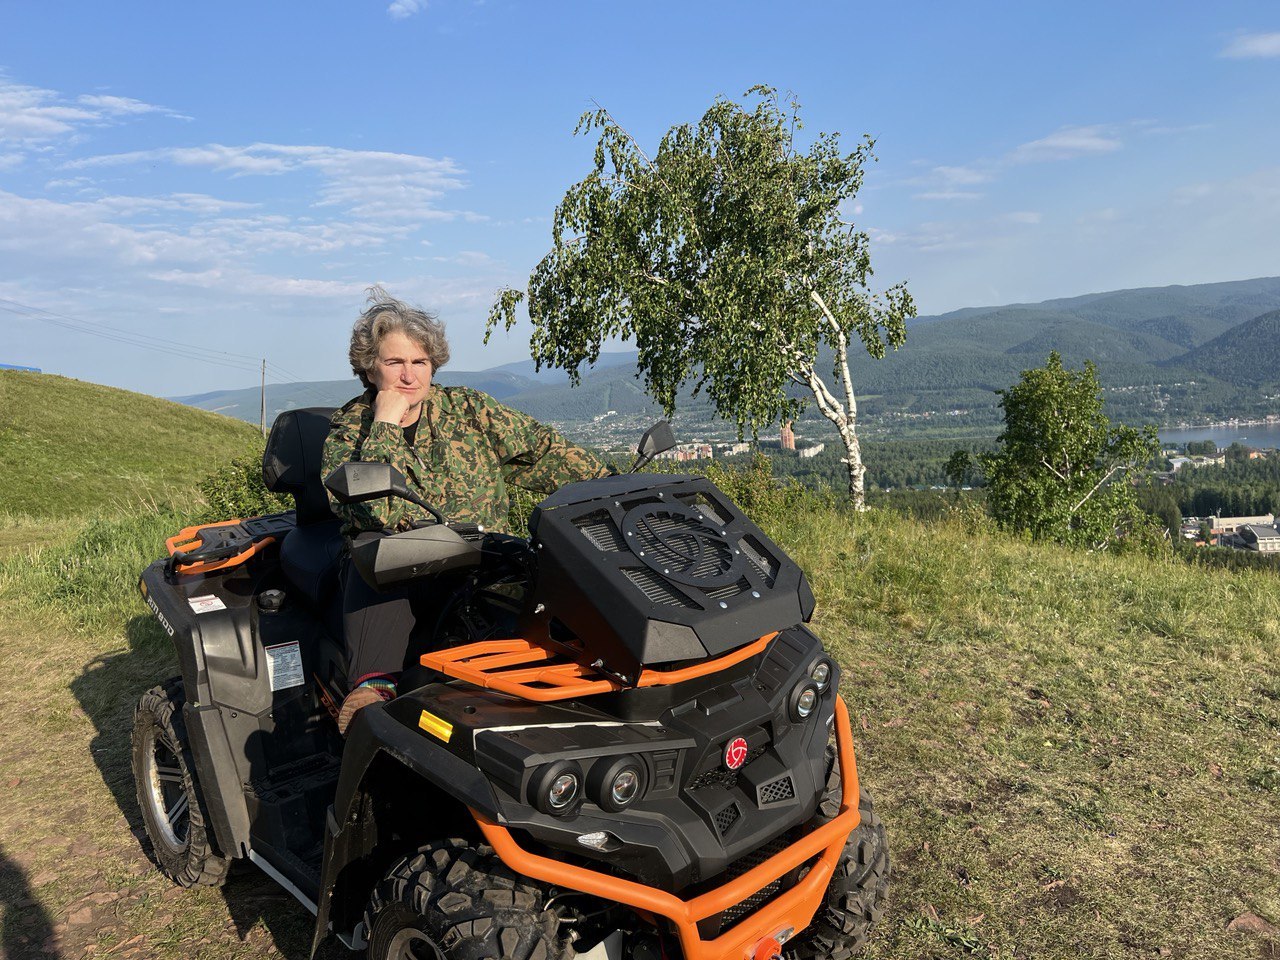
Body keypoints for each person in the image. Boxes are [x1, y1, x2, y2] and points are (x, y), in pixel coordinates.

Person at [322, 287, 608, 732]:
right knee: (375, 547)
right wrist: (384, 424)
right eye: (394, 362)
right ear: (370, 367)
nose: (409, 375)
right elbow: (375, 512)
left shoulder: (468, 410)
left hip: (484, 560)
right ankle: (373, 692)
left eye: (419, 362)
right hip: (400, 570)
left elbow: (544, 451)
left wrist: (612, 486)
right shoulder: (349, 429)